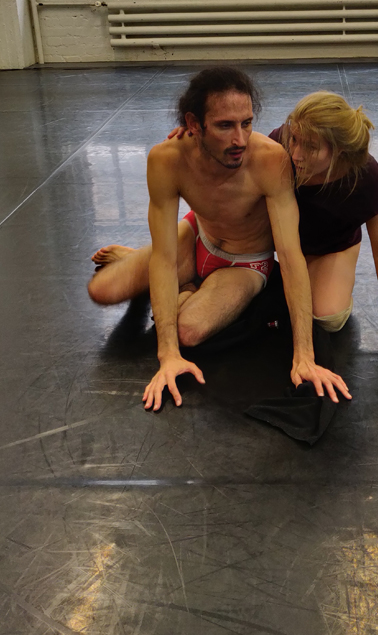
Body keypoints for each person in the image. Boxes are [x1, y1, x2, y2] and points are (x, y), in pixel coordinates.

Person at [88, 67, 351, 411]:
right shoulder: (166, 159)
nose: (239, 139)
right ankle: (169, 276)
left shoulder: (271, 160)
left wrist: (304, 357)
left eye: (247, 123)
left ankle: (180, 284)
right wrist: (167, 357)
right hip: (197, 235)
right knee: (102, 290)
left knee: (187, 332)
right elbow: (164, 259)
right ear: (194, 125)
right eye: (225, 126)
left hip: (245, 262)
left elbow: (290, 257)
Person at [270, 91, 378, 350]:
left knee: (327, 317)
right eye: (294, 139)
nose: (296, 154)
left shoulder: (366, 177)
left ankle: (329, 271)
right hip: (279, 240)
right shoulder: (279, 145)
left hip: (331, 245)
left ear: (338, 152)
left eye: (310, 147)